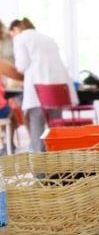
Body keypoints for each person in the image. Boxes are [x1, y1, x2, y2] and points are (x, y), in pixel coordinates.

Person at [7, 17, 77, 152]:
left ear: (16, 30)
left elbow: (22, 65)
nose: (13, 38)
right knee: (55, 126)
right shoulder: (47, 38)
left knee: (36, 120)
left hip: (39, 90)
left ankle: (38, 165)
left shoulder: (20, 38)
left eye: (12, 35)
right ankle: (57, 162)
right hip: (59, 89)